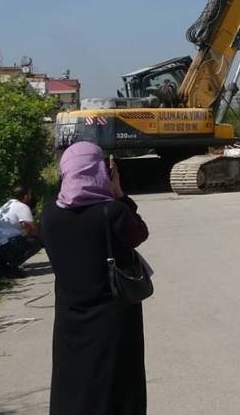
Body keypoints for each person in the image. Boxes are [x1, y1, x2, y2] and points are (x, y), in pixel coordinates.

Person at [41, 142, 149, 415]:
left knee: (74, 382)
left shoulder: (49, 214)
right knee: (118, 384)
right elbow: (140, 233)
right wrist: (119, 193)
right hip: (114, 319)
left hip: (70, 317)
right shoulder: (113, 212)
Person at [0, 185, 43, 278]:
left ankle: (1, 265)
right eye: (29, 195)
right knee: (38, 240)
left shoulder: (6, 206)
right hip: (4, 247)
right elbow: (30, 228)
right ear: (25, 196)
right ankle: (10, 267)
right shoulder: (22, 206)